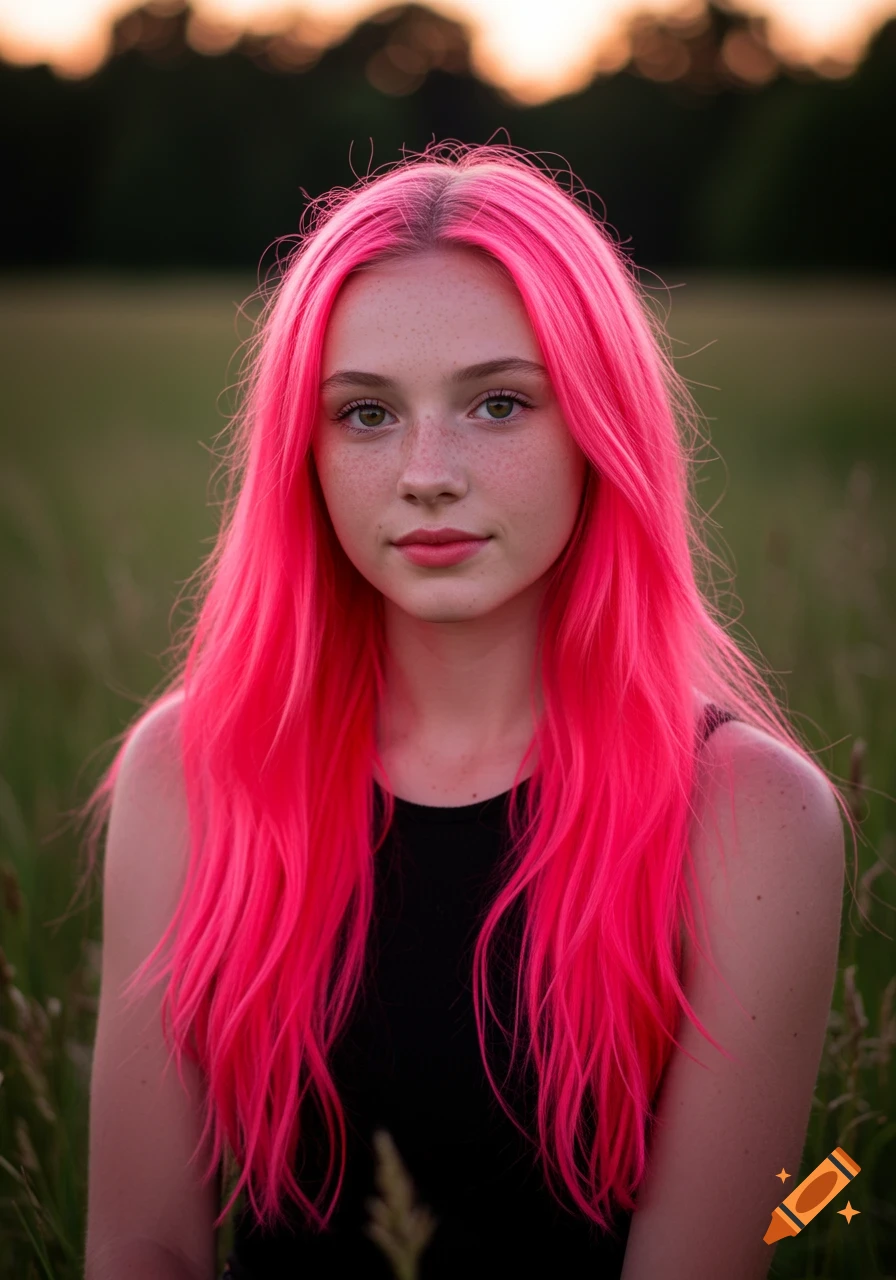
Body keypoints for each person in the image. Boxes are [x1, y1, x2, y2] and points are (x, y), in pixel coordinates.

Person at [82, 142, 852, 1280]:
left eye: (497, 403)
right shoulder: (192, 769)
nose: (427, 471)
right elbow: (142, 1242)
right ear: (302, 449)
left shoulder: (748, 817)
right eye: (364, 413)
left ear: (598, 425)